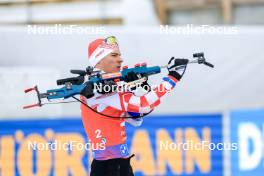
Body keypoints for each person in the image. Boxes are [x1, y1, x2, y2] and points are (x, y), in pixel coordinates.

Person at [80, 36, 188, 176]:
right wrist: (173, 77)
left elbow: (136, 119)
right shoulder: (96, 89)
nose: (120, 59)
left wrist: (139, 89)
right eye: (114, 55)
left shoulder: (108, 86)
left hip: (119, 163)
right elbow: (144, 105)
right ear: (98, 61)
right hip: (109, 166)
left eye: (119, 54)